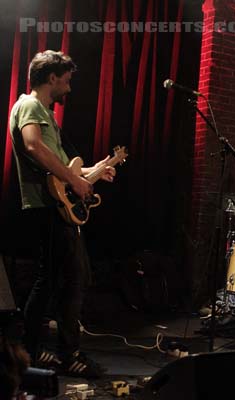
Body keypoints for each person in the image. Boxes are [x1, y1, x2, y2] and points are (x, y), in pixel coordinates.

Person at [9, 50, 115, 378]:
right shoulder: (29, 104)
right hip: (47, 207)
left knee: (61, 279)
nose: (69, 87)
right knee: (64, 279)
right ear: (52, 78)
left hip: (55, 206)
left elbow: (59, 167)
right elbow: (32, 146)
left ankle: (39, 350)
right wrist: (74, 179)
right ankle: (60, 354)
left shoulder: (44, 112)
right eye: (66, 80)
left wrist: (92, 174)